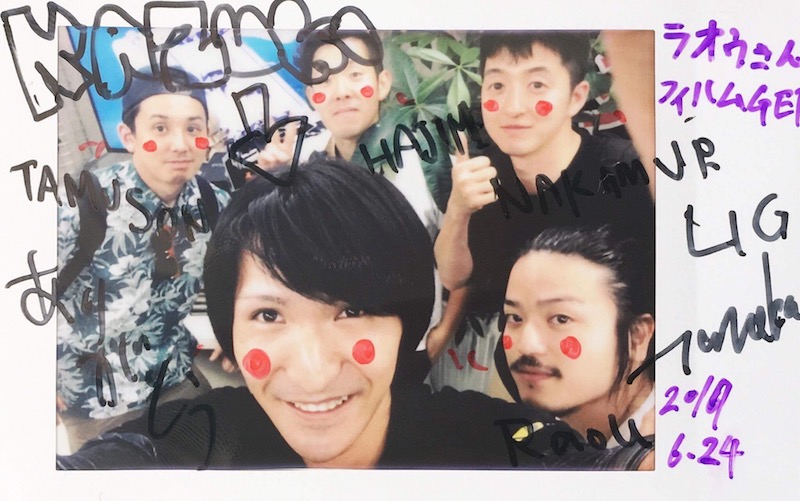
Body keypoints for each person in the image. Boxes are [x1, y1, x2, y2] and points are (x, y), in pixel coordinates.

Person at [57, 158, 651, 470]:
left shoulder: (488, 442)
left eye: (355, 310)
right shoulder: (194, 441)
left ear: (406, 323)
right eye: (269, 316)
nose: (314, 371)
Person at [429, 32, 655, 396]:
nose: (514, 106)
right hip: (526, 376)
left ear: (576, 97)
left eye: (537, 84)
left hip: (619, 383)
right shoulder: (488, 172)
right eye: (498, 85)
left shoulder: (626, 174)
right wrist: (458, 210)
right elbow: (455, 277)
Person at [257, 30, 466, 369]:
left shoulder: (427, 159)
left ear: (382, 84)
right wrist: (276, 183)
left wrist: (444, 330)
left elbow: (466, 254)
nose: (341, 91)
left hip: (404, 345)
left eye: (355, 75)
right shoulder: (301, 161)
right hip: (326, 348)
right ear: (312, 96)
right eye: (325, 80)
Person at [56, 67, 231, 451]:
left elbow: (239, 274)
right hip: (94, 401)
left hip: (176, 380)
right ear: (129, 137)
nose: (180, 144)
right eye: (160, 128)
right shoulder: (83, 205)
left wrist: (232, 329)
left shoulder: (213, 203)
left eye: (193, 128)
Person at [496, 226, 655, 447]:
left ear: (637, 337)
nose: (526, 345)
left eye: (561, 319)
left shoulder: (678, 447)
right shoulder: (539, 438)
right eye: (515, 317)